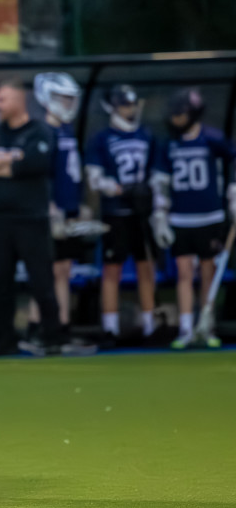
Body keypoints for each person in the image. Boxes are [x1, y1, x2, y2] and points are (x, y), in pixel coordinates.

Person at [0, 78, 62, 357]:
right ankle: (4, 341)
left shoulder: (39, 131)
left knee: (42, 281)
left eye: (2, 99)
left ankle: (52, 338)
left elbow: (36, 163)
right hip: (1, 219)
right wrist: (14, 160)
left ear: (19, 101)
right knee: (2, 284)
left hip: (32, 219)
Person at [150, 88, 236, 349]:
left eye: (180, 114)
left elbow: (233, 161)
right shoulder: (169, 144)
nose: (175, 119)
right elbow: (161, 182)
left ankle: (206, 325)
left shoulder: (213, 139)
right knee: (184, 272)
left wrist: (233, 193)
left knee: (209, 272)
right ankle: (186, 328)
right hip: (181, 218)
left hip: (210, 216)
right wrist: (160, 215)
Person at [85, 84, 159, 347]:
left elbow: (157, 174)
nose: (130, 110)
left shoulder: (147, 135)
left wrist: (149, 195)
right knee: (112, 269)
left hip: (141, 213)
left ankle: (150, 326)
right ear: (113, 108)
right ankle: (110, 328)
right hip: (115, 212)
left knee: (146, 267)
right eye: (124, 105)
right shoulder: (101, 139)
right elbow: (94, 179)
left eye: (132, 104)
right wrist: (118, 189)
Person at [26, 73, 87, 344]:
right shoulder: (44, 131)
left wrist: (78, 205)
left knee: (64, 270)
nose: (68, 103)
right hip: (49, 213)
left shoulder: (66, 129)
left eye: (71, 99)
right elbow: (41, 175)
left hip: (68, 210)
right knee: (46, 272)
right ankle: (36, 326)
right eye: (63, 98)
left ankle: (62, 327)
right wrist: (50, 206)